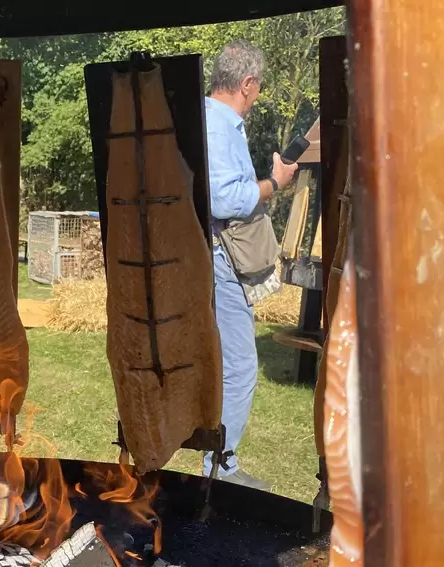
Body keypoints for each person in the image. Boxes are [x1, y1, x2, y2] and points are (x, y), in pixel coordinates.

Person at [203, 40, 298, 489]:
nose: (256, 98)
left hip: (213, 256)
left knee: (223, 363)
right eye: (257, 89)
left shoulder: (207, 118)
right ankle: (219, 468)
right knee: (240, 366)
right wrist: (273, 183)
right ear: (247, 83)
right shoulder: (220, 126)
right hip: (222, 259)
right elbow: (224, 199)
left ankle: (216, 463)